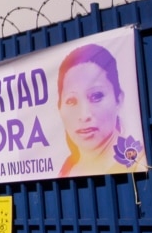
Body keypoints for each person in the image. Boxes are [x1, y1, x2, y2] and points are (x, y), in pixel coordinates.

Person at [57, 43, 145, 176]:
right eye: (71, 101)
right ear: (60, 108)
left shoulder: (139, 162)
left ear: (118, 99)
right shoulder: (66, 169)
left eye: (96, 96)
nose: (84, 115)